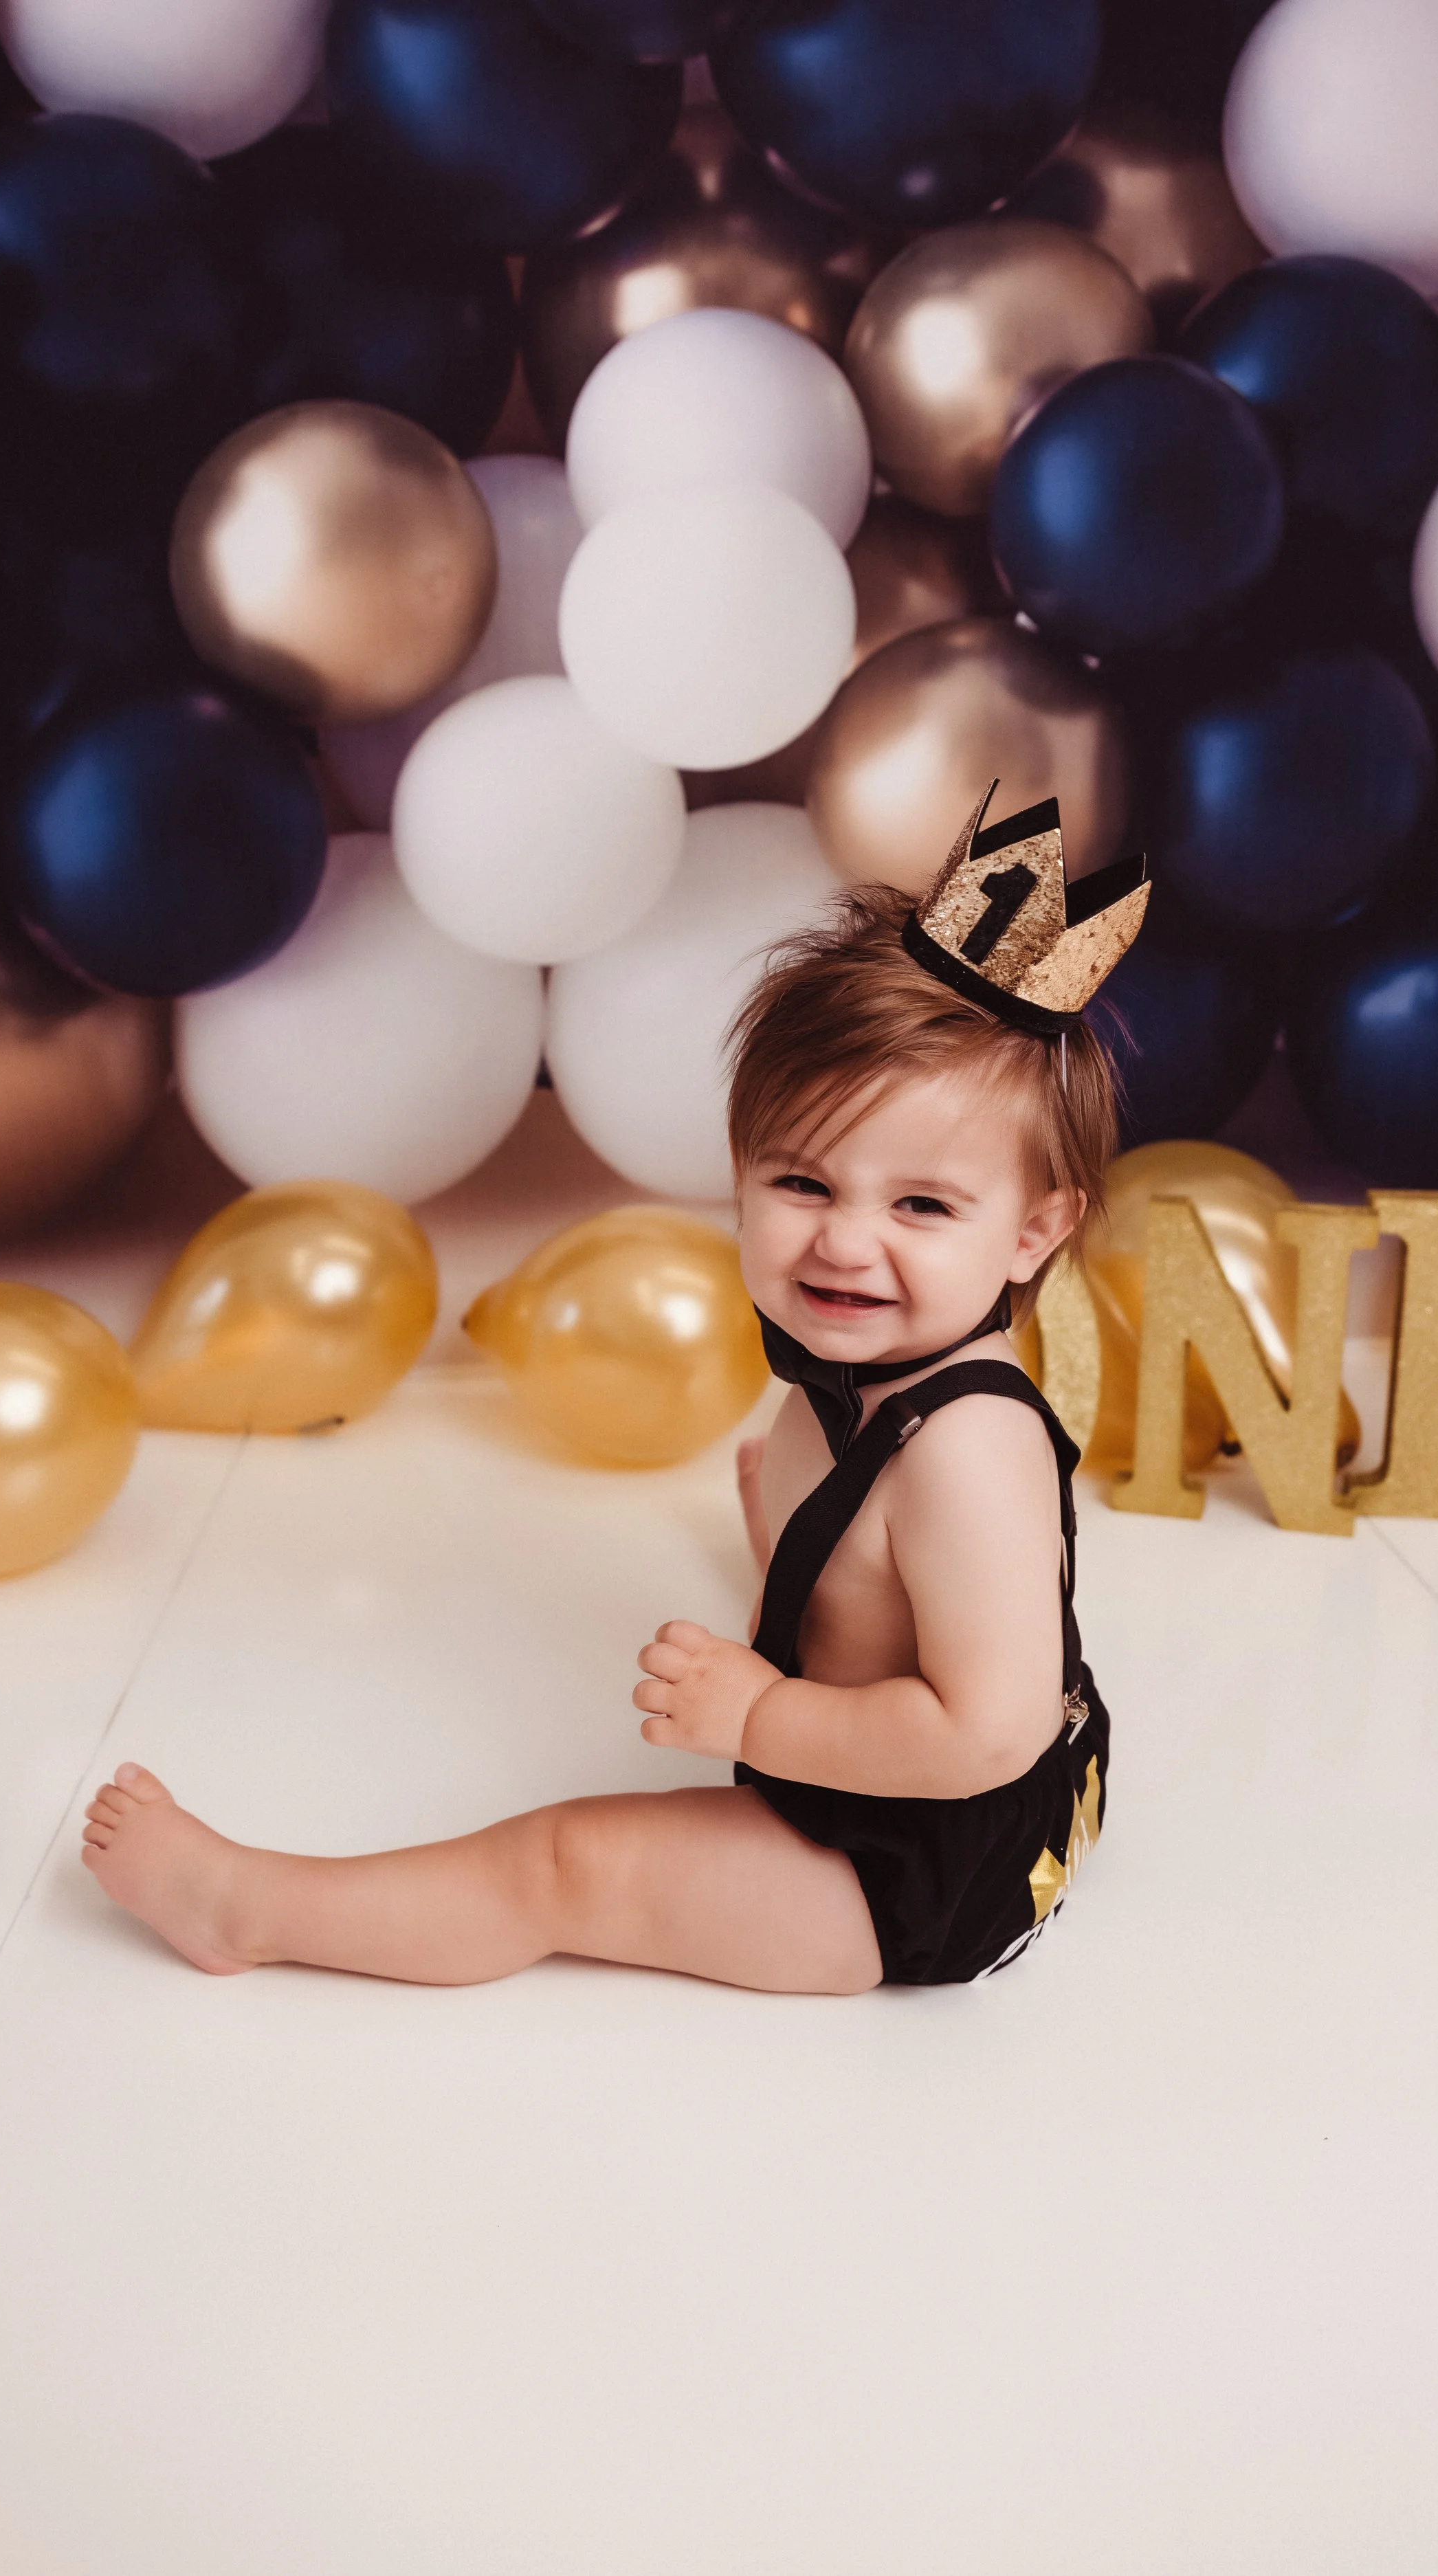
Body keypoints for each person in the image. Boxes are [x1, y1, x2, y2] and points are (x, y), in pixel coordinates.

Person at [82, 788, 1147, 1995]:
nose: (848, 1244)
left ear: (1035, 1231)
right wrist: (801, 1545)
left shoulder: (967, 1453)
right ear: (739, 1175)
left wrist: (759, 1721)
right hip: (928, 1789)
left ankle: (247, 1908)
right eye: (803, 1181)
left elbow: (984, 1734)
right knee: (804, 1521)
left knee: (564, 1865)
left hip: (917, 1866)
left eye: (921, 1206)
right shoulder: (867, 1367)